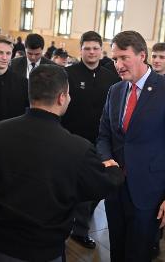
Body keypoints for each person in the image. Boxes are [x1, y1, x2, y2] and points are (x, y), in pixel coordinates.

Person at [0, 64, 124, 262]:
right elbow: (99, 186)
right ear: (62, 97)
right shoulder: (76, 148)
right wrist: (114, 170)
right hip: (41, 251)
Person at [97, 30, 165, 261]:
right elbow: (103, 136)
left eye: (123, 57)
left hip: (149, 193)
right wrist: (106, 159)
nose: (118, 64)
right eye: (115, 59)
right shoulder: (115, 90)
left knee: (139, 254)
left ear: (142, 55)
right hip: (116, 189)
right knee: (117, 250)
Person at [61, 31, 119, 249]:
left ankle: (81, 222)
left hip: (101, 142)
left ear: (101, 50)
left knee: (94, 186)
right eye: (87, 48)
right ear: (81, 50)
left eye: (96, 48)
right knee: (71, 185)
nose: (92, 52)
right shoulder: (68, 74)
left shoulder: (110, 77)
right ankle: (74, 225)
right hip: (72, 139)